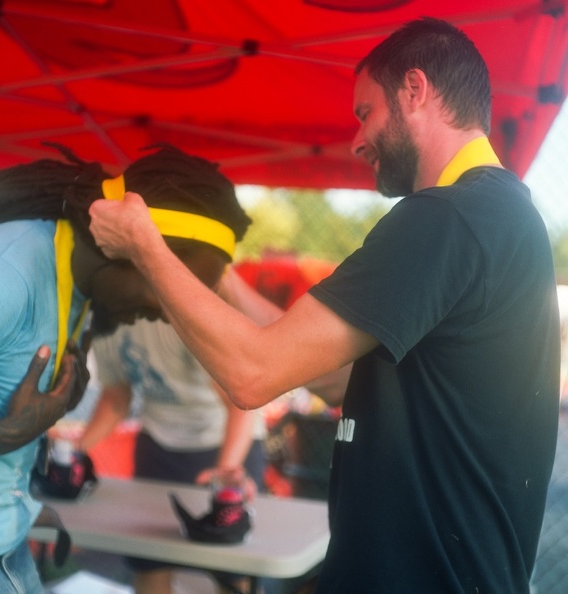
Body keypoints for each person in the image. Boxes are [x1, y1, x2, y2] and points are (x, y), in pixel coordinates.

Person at [88, 17, 561, 594]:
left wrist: (145, 245)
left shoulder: (445, 217)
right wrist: (221, 281)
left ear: (415, 90)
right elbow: (340, 378)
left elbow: (253, 374)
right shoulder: (501, 215)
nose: (357, 140)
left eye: (365, 112)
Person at [0, 142, 250, 594]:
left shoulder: (77, 282)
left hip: (3, 548)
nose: (171, 314)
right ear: (130, 247)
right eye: (169, 290)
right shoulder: (1, 274)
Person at [79, 317, 266, 594]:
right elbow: (116, 399)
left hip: (223, 442)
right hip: (158, 443)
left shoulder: (186, 318)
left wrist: (225, 473)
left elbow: (241, 402)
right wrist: (74, 451)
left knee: (231, 569)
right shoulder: (106, 317)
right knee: (149, 559)